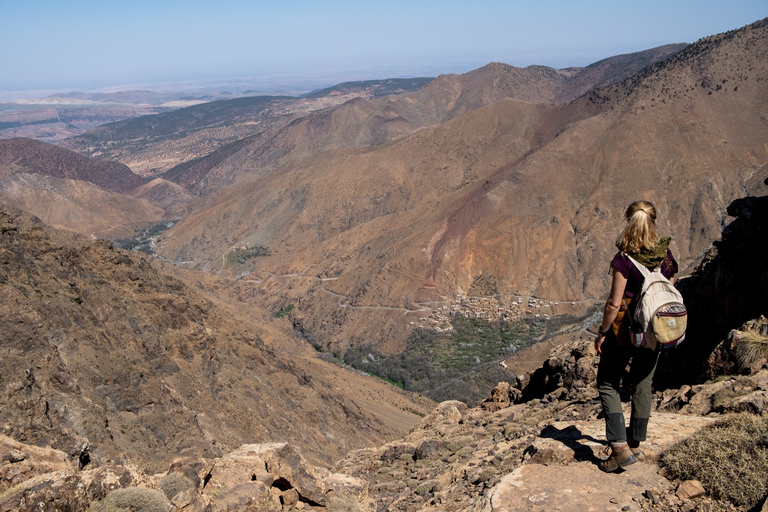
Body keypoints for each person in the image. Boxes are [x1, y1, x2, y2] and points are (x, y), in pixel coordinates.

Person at [593, 200, 678, 473]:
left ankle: (619, 449)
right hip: (655, 329)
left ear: (628, 222)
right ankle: (635, 444)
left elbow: (613, 304)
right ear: (652, 223)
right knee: (643, 382)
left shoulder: (624, 260)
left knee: (607, 382)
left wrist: (602, 332)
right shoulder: (664, 255)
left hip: (625, 332)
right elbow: (670, 283)